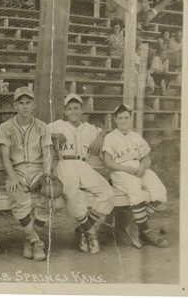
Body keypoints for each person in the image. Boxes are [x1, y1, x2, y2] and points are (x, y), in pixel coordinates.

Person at [49, 93, 113, 255]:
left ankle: (85, 228)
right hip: (65, 164)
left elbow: (108, 132)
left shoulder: (89, 128)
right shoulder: (58, 124)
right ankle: (91, 233)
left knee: (107, 192)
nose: (73, 111)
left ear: (82, 110)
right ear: (65, 111)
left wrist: (102, 136)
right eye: (69, 108)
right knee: (72, 194)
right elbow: (38, 131)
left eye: (76, 108)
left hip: (83, 165)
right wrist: (54, 135)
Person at [0, 87, 53, 261]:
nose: (24, 106)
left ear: (33, 105)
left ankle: (29, 239)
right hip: (18, 170)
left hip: (37, 170)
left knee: (49, 194)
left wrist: (46, 175)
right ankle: (36, 241)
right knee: (18, 195)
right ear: (15, 105)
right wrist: (12, 176)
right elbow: (5, 156)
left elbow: (47, 155)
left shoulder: (42, 126)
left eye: (28, 103)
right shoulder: (5, 127)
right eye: (20, 103)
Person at [103, 104, 169, 248]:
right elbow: (107, 161)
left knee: (160, 192)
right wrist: (125, 169)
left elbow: (147, 158)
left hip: (138, 170)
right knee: (136, 193)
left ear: (130, 118)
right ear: (115, 119)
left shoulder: (136, 137)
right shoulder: (111, 137)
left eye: (126, 117)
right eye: (120, 118)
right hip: (120, 171)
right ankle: (145, 231)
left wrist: (143, 169)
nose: (123, 121)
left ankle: (135, 224)